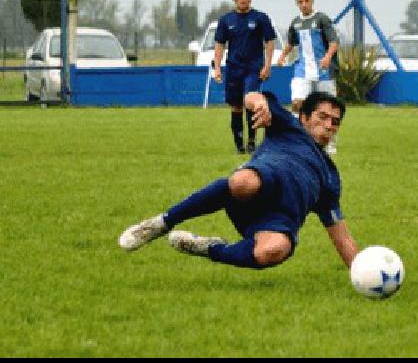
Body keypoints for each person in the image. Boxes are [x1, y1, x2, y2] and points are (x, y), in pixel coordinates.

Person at [118, 91, 359, 272]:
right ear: (304, 117)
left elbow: (341, 235)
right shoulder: (289, 126)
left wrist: (362, 270)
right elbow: (251, 96)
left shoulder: (330, 175)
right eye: (323, 117)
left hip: (278, 219)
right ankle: (161, 223)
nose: (329, 125)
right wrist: (260, 104)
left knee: (272, 252)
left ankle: (209, 248)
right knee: (243, 181)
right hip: (259, 185)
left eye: (335, 122)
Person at [214, 0, 277, 154]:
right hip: (234, 69)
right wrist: (217, 68)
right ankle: (239, 145)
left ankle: (251, 142)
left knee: (250, 103)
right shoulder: (226, 20)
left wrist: (267, 65)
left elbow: (270, 41)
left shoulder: (260, 18)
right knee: (235, 107)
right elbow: (220, 44)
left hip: (253, 68)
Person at [276, 0, 340, 153]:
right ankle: (299, 140)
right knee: (297, 103)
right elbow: (291, 43)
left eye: (307, 1)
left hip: (323, 71)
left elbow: (334, 42)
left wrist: (327, 57)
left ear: (312, 1)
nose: (304, 4)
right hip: (302, 70)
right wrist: (283, 55)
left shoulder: (322, 19)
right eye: (301, 1)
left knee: (328, 110)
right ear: (297, 3)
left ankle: (330, 142)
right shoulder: (295, 23)